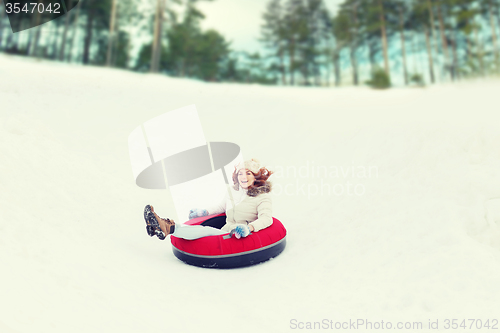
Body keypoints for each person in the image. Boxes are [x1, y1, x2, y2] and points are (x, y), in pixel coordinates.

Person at [143, 158, 273, 240]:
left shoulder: (262, 197)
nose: (243, 176)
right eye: (240, 173)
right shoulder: (233, 192)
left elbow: (266, 218)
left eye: (248, 173)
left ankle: (168, 227)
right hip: (226, 230)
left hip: (241, 236)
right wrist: (203, 212)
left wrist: (249, 228)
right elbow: (221, 208)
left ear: (255, 176)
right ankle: (159, 227)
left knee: (206, 231)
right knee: (203, 230)